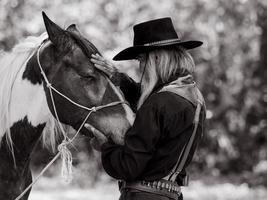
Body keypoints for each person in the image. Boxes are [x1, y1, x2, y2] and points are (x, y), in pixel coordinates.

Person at [85, 17, 206, 200]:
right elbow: (155, 101)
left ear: (156, 58)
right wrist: (118, 77)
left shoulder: (158, 104)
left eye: (141, 60)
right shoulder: (195, 98)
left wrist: (105, 145)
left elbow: (127, 167)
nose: (140, 66)